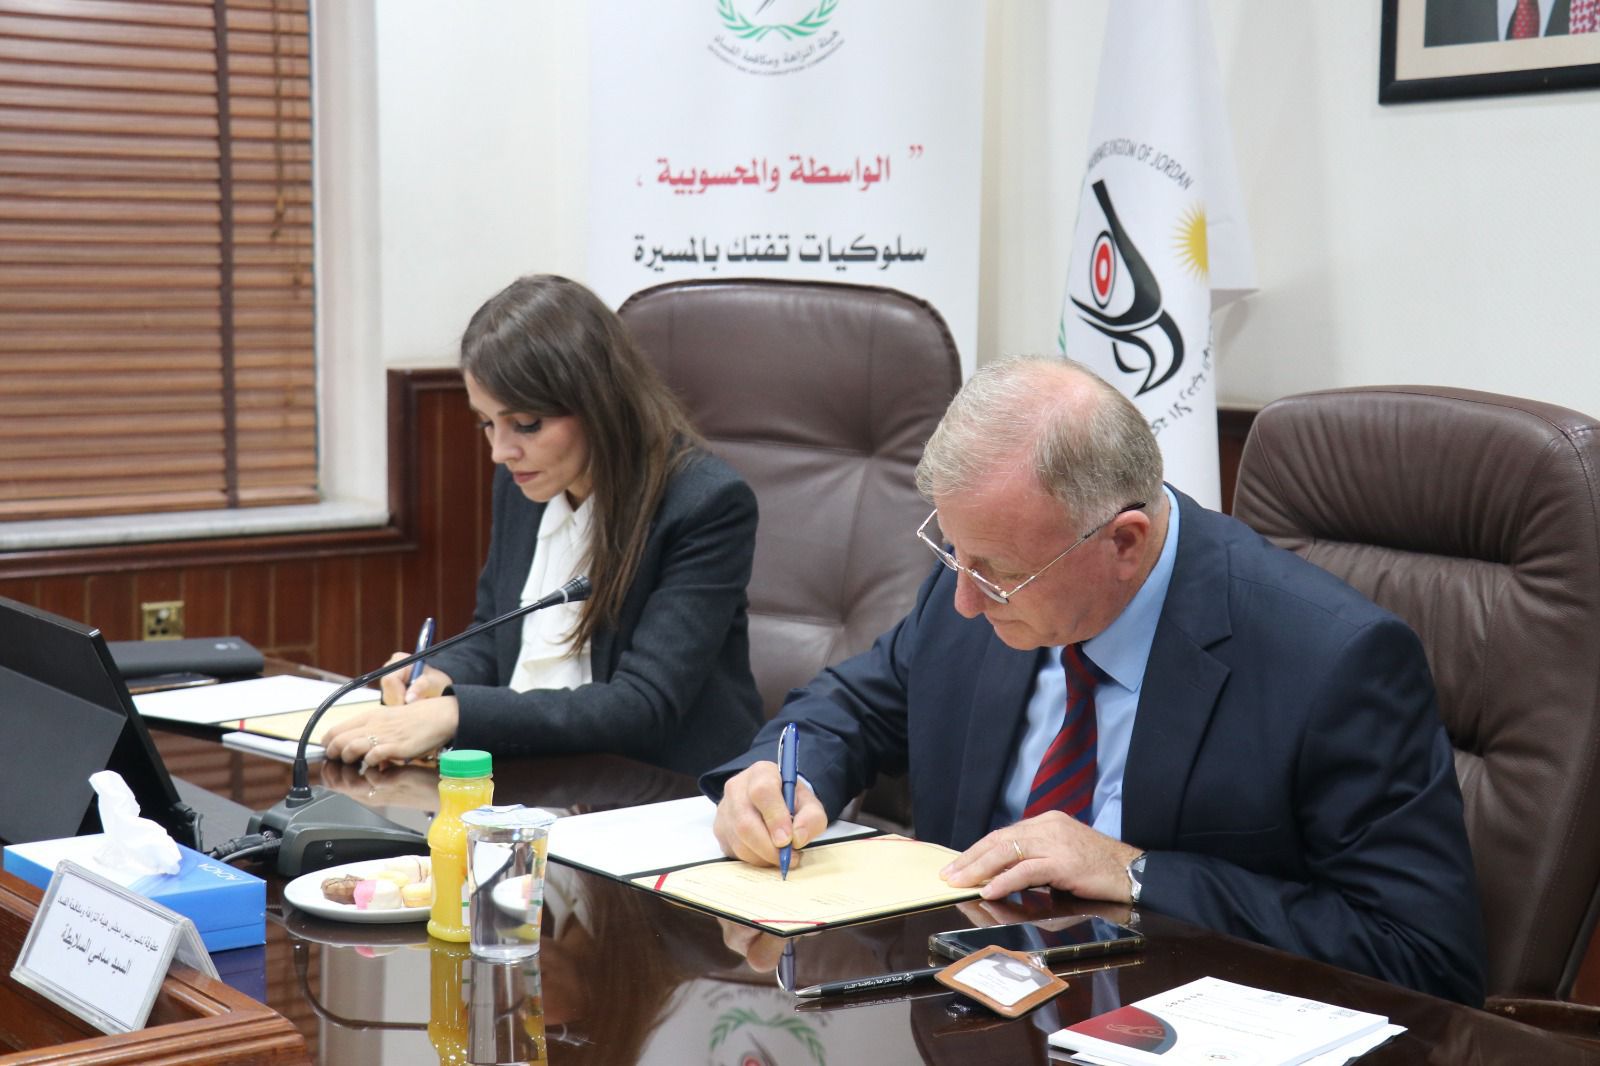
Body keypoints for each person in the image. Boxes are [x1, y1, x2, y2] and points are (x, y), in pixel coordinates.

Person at [705, 356, 1487, 1005]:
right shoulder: (976, 586)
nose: (966, 599)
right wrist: (781, 774)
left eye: (997, 574)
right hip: (972, 1017)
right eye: (953, 553)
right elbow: (855, 704)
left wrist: (1136, 873)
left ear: (1124, 542)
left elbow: (1421, 956)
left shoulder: (1334, 663)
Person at [323, 274, 763, 776]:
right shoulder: (524, 482)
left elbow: (644, 705)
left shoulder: (705, 504)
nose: (500, 451)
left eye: (526, 424)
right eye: (486, 423)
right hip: (542, 776)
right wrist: (439, 679)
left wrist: (456, 713)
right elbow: (494, 635)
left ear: (598, 403)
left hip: (663, 790)